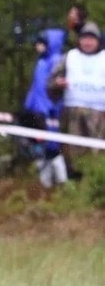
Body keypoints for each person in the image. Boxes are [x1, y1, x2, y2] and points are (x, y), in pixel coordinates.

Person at [48, 21, 105, 180]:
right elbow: (51, 81)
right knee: (71, 153)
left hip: (100, 117)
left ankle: (96, 186)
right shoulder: (69, 57)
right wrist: (58, 84)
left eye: (91, 39)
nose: (87, 42)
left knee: (97, 154)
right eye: (84, 38)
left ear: (98, 41)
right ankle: (73, 184)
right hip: (72, 115)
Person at [23, 28, 68, 189]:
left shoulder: (55, 60)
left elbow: (55, 90)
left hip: (50, 112)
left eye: (41, 44)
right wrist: (29, 105)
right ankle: (45, 184)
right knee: (40, 148)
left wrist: (53, 107)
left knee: (52, 147)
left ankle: (62, 182)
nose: (37, 47)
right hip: (37, 111)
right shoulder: (41, 62)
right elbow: (35, 87)